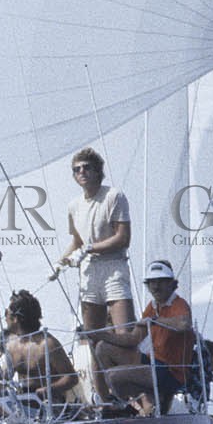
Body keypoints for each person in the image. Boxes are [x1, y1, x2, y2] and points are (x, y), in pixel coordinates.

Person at [54, 147, 135, 400]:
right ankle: (104, 399)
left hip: (113, 268)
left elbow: (123, 238)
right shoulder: (74, 205)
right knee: (92, 341)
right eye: (76, 169)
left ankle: (135, 394)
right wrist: (62, 261)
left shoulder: (114, 196)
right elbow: (77, 241)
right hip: (89, 274)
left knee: (125, 336)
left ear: (98, 170)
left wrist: (90, 248)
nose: (81, 173)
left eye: (86, 167)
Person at [94, 259, 200, 414]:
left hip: (171, 371)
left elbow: (184, 324)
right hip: (153, 363)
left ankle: (127, 406)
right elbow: (132, 339)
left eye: (161, 282)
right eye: (152, 282)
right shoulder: (152, 307)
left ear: (172, 284)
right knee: (102, 348)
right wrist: (101, 334)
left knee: (114, 375)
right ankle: (134, 402)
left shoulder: (179, 304)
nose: (156, 286)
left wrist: (155, 321)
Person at [0, 288, 83, 403]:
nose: (5, 318)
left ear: (16, 319)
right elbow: (5, 378)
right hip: (21, 404)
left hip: (51, 405)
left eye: (7, 313)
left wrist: (48, 389)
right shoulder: (11, 346)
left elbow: (72, 377)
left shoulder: (47, 344)